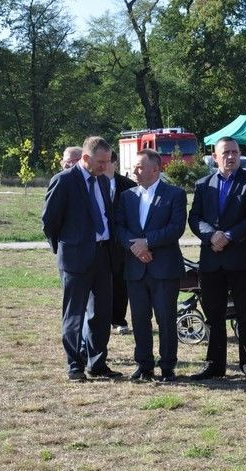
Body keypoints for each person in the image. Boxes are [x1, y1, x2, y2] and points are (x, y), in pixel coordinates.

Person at [42, 136, 122, 382]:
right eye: (101, 161)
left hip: (102, 256)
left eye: (108, 161)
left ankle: (97, 363)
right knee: (74, 313)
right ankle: (74, 365)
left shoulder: (101, 181)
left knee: (101, 313)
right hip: (75, 258)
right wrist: (64, 249)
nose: (105, 166)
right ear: (85, 158)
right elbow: (49, 222)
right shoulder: (64, 181)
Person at [188, 136, 246, 383]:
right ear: (215, 157)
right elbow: (195, 217)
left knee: (245, 313)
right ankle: (215, 365)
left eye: (234, 152)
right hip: (212, 260)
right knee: (214, 314)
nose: (230, 157)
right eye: (225, 153)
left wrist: (229, 236)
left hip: (242, 259)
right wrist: (212, 236)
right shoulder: (203, 184)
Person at [115, 149, 186, 382]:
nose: (135, 170)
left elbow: (176, 227)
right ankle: (143, 365)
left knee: (165, 319)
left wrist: (147, 242)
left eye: (140, 166)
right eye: (134, 166)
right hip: (135, 270)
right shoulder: (127, 196)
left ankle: (167, 367)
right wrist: (135, 247)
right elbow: (119, 227)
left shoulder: (174, 194)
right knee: (139, 319)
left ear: (156, 169)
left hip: (164, 269)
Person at [105, 150, 137, 335]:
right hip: (99, 244)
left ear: (115, 163)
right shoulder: (93, 183)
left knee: (120, 281)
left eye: (107, 161)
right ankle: (102, 317)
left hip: (121, 243)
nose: (103, 165)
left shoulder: (128, 186)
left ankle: (118, 319)